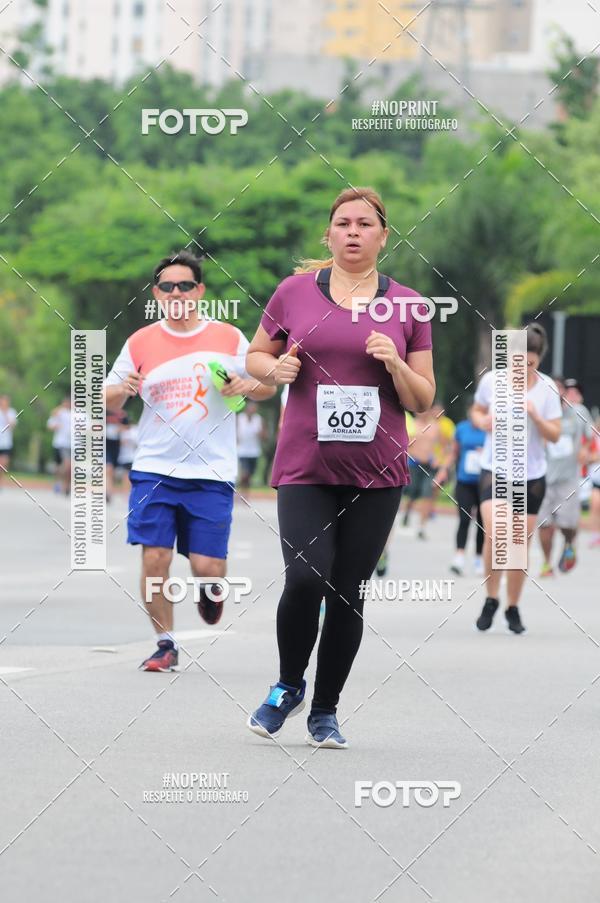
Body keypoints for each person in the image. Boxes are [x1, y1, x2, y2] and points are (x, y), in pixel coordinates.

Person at [245, 186, 435, 748]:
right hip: (305, 463)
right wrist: (273, 368)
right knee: (305, 578)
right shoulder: (294, 292)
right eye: (342, 223)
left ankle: (325, 709)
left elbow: (422, 398)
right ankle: (287, 685)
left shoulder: (410, 306)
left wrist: (395, 362)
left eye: (364, 224)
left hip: (376, 472)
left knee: (347, 590)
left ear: (383, 236)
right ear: (328, 234)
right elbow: (256, 355)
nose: (353, 232)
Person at [104, 250, 275, 672]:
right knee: (154, 557)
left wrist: (245, 384)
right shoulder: (140, 342)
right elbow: (104, 397)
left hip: (211, 472)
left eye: (185, 285)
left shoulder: (229, 337)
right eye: (167, 286)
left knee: (207, 565)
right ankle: (165, 643)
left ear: (199, 291)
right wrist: (122, 387)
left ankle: (211, 587)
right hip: (154, 469)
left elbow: (266, 388)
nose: (176, 292)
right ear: (157, 294)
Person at [472, 323, 562, 634]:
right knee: (496, 533)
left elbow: (555, 435)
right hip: (494, 468)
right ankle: (490, 597)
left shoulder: (548, 389)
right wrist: (484, 421)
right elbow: (477, 411)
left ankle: (512, 605)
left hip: (531, 475)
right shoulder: (491, 381)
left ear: (539, 360)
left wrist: (536, 415)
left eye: (531, 363)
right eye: (518, 361)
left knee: (518, 544)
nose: (523, 368)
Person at [537, 376, 592, 575]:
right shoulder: (540, 413)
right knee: (543, 523)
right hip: (544, 478)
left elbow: (591, 434)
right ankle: (546, 563)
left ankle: (570, 543)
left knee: (566, 525)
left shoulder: (578, 412)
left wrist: (586, 449)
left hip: (568, 479)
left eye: (559, 388)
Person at [449, 409, 485, 576]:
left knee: (483, 523)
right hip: (464, 481)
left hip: (485, 482)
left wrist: (486, 453)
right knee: (464, 518)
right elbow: (454, 452)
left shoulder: (491, 429)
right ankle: (459, 556)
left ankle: (479, 558)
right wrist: (444, 470)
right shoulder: (462, 428)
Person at [400, 408, 442, 540]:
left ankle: (421, 527)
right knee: (412, 492)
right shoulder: (411, 424)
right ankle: (407, 512)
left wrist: (438, 458)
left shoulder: (435, 427)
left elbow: (443, 446)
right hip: (413, 463)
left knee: (427, 494)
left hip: (428, 466)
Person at [237, 402, 265, 491]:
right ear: (247, 409)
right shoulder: (240, 418)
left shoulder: (259, 419)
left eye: (254, 409)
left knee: (250, 473)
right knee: (245, 472)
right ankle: (242, 490)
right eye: (251, 408)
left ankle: (245, 490)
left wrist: (261, 434)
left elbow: (264, 435)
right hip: (242, 451)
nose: (252, 410)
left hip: (254, 451)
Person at [47, 396, 72, 495]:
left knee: (68, 466)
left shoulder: (76, 414)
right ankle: (58, 483)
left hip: (72, 445)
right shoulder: (59, 413)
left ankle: (66, 486)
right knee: (58, 467)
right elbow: (50, 424)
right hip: (59, 443)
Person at [105, 407, 128, 502]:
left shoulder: (123, 414)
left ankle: (112, 489)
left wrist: (120, 429)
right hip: (106, 445)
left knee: (114, 471)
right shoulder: (105, 412)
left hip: (119, 446)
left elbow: (127, 427)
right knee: (108, 469)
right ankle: (108, 493)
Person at [117, 418, 139, 494]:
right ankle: (126, 492)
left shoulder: (131, 432)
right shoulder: (131, 431)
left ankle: (127, 492)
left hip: (131, 457)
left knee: (127, 476)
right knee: (127, 476)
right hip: (127, 457)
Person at [0, 395, 17, 488]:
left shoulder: (11, 412)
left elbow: (12, 425)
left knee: (3, 464)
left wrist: (5, 413)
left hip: (6, 443)